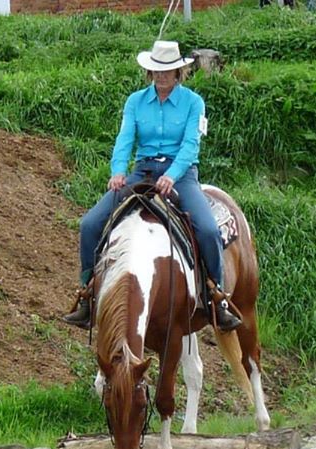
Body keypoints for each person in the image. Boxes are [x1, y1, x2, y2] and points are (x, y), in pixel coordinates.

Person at [63, 40, 242, 332]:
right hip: (142, 172)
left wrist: (172, 174)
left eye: (167, 71)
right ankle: (86, 295)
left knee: (208, 229)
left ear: (178, 72)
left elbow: (190, 145)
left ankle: (216, 297)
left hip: (180, 175)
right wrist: (118, 171)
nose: (161, 76)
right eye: (155, 70)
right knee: (90, 223)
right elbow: (125, 139)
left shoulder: (193, 103)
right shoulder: (135, 101)